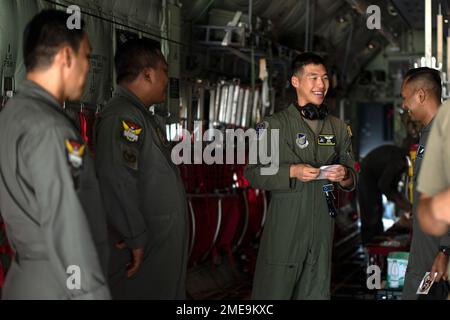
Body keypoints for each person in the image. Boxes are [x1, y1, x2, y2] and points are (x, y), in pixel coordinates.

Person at [0, 10, 110, 299]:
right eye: (86, 56)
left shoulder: (11, 115)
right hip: (60, 283)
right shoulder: (50, 129)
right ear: (65, 57)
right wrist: (93, 293)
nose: (88, 68)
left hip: (24, 276)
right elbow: (66, 224)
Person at [244, 52, 356, 300]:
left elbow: (351, 175)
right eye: (313, 77)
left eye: (324, 78)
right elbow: (252, 173)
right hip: (286, 231)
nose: (321, 85)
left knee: (316, 292)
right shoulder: (273, 126)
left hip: (322, 232)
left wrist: (345, 174)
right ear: (295, 82)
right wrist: (292, 171)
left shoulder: (338, 128)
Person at [95, 39, 188, 299]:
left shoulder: (143, 117)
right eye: (164, 71)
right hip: (142, 251)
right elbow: (117, 177)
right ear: (148, 74)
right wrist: (135, 236)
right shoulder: (124, 117)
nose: (167, 79)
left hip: (157, 248)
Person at [400, 68, 450, 299]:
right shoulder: (429, 134)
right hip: (424, 251)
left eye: (405, 97)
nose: (404, 105)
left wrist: (444, 250)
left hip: (435, 257)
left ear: (420, 95)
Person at [358, 145, 412, 245]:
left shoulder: (402, 160)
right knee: (370, 212)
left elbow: (393, 185)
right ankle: (370, 246)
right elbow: (383, 185)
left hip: (374, 176)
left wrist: (402, 202)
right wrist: (401, 203)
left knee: (377, 210)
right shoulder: (399, 160)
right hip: (367, 177)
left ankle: (378, 239)